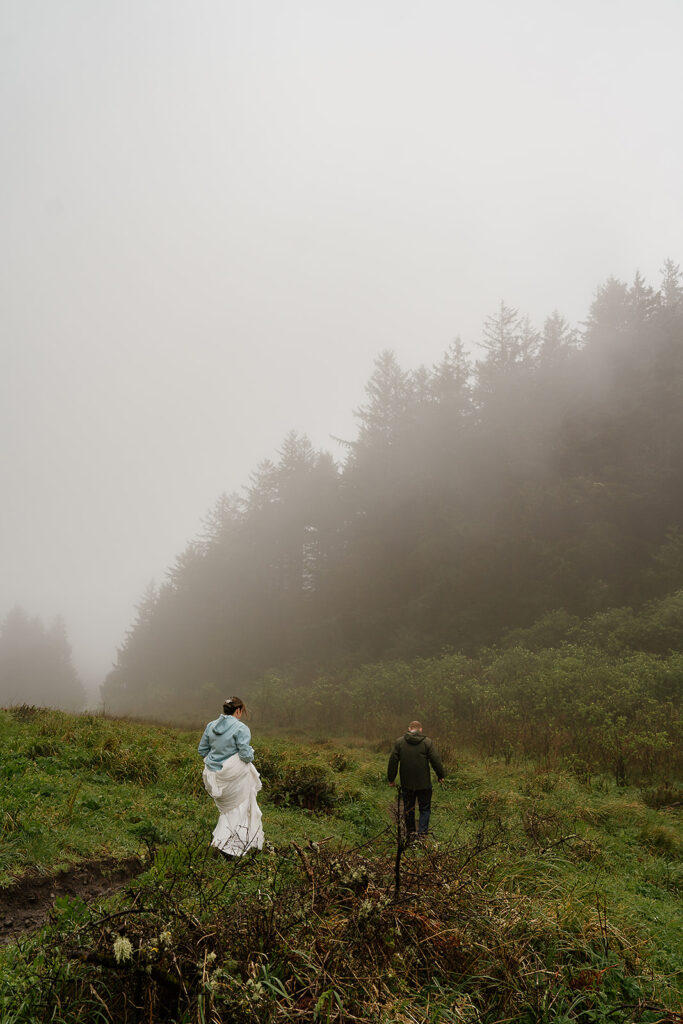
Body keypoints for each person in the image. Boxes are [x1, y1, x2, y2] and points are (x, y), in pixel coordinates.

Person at [198, 696, 264, 859]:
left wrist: (216, 760)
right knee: (240, 809)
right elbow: (245, 755)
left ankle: (224, 844)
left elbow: (202, 750)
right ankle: (231, 848)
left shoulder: (211, 726)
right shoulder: (241, 729)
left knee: (229, 811)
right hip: (235, 776)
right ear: (238, 710)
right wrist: (245, 756)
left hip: (216, 776)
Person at [387, 720, 445, 841]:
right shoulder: (427, 742)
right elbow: (436, 760)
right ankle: (422, 835)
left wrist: (391, 779)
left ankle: (411, 835)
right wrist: (440, 775)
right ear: (420, 729)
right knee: (424, 809)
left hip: (407, 784)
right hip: (424, 784)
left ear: (409, 729)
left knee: (409, 809)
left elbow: (393, 761)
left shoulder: (399, 742)